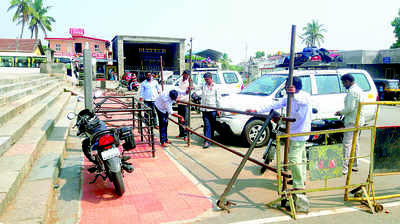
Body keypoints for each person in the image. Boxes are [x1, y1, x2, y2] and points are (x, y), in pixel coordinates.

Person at [247, 77, 312, 191]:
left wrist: (293, 94)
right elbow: (273, 105)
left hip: (300, 132)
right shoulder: (288, 97)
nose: (285, 87)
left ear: (294, 86)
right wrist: (256, 110)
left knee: (293, 158)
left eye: (287, 85)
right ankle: (301, 179)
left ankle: (299, 186)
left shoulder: (304, 96)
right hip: (293, 131)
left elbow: (301, 100)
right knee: (300, 157)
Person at [335, 74, 365, 175]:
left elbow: (349, 108)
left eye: (344, 83)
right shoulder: (359, 90)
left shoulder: (352, 92)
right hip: (358, 120)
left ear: (348, 81)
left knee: (347, 144)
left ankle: (344, 168)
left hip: (352, 121)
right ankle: (354, 165)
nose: (343, 85)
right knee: (355, 144)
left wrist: (340, 112)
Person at [199, 72, 222, 148]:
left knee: (212, 125)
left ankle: (210, 139)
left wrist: (218, 109)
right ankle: (207, 141)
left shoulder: (216, 87)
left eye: (207, 79)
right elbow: (196, 88)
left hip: (212, 109)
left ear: (211, 78)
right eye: (205, 80)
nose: (206, 81)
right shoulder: (203, 85)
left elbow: (218, 99)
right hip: (204, 109)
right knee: (207, 125)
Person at [176, 70, 190, 141]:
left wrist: (190, 88)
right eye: (184, 74)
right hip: (179, 102)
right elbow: (178, 90)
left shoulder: (189, 82)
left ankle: (185, 134)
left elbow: (189, 90)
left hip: (185, 102)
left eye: (186, 75)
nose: (185, 76)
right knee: (180, 118)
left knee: (185, 119)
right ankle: (181, 133)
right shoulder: (180, 81)